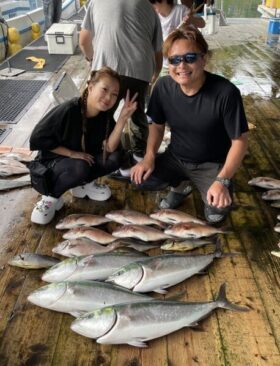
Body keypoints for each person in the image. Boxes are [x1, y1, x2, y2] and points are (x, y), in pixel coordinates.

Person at [131, 26, 248, 224]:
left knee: (216, 213)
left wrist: (222, 180)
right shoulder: (162, 87)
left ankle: (217, 183)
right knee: (141, 179)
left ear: (204, 58)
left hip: (211, 164)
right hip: (176, 157)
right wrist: (149, 157)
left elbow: (240, 142)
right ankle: (182, 186)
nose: (181, 66)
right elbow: (157, 126)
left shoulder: (226, 92)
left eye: (190, 57)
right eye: (174, 60)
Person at [29, 67, 137, 225]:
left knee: (116, 157)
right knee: (80, 166)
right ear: (91, 87)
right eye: (104, 89)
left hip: (82, 161)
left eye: (114, 94)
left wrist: (122, 119)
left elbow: (110, 149)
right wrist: (71, 153)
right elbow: (36, 138)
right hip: (53, 164)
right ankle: (50, 198)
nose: (108, 97)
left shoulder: (104, 115)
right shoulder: (68, 110)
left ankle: (82, 186)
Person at [79, 0, 163, 178]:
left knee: (103, 115)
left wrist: (91, 59)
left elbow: (84, 40)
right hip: (140, 70)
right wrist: (154, 73)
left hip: (106, 68)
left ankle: (116, 161)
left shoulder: (96, 2)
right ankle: (140, 155)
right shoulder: (149, 8)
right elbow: (157, 51)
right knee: (137, 112)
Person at [149, 0, 205, 75]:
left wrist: (191, 20)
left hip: (184, 62)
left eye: (153, 3)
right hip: (165, 64)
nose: (151, 7)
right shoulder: (155, 16)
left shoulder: (180, 10)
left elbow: (202, 24)